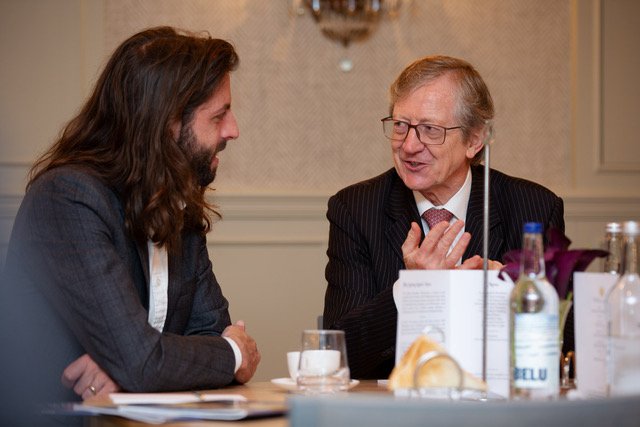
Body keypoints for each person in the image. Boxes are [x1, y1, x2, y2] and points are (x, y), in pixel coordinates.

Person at [0, 26, 260, 425]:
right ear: (168, 122)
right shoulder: (68, 198)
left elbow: (206, 332)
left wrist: (130, 365)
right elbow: (145, 361)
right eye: (219, 115)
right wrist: (234, 353)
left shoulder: (178, 206)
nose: (233, 130)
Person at [323, 55, 564, 379]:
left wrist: (515, 298)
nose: (409, 146)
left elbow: (564, 344)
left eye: (430, 130)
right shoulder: (356, 208)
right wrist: (410, 290)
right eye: (400, 125)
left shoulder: (533, 208)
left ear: (474, 140)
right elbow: (338, 353)